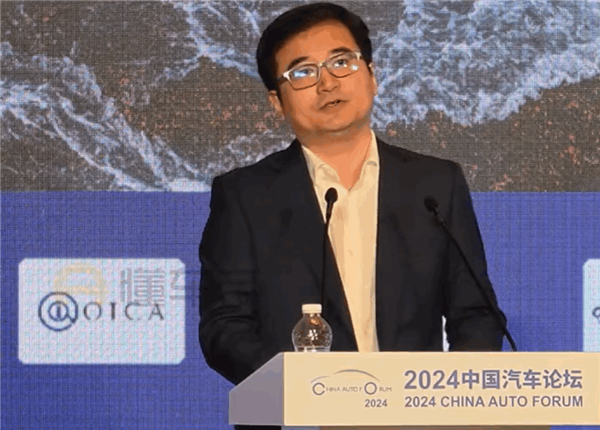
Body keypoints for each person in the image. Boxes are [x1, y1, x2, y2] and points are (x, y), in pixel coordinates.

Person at [199, 3, 507, 429]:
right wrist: (303, 389)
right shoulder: (245, 195)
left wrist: (449, 402)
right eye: (303, 72)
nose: (327, 82)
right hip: (299, 420)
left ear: (372, 75)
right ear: (276, 102)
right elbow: (224, 327)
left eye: (341, 62)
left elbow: (476, 314)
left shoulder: (435, 184)